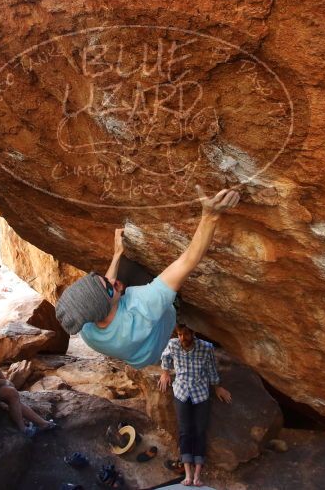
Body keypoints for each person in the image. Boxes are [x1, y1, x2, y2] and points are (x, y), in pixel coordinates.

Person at [55, 186, 240, 369]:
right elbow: (187, 262)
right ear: (103, 307)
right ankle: (177, 308)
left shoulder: (86, 329)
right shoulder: (141, 309)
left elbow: (103, 295)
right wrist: (210, 216)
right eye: (110, 288)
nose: (112, 281)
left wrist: (117, 253)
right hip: (155, 332)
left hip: (140, 357)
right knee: (144, 278)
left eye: (98, 279)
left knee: (122, 269)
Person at [159, 323, 232, 487]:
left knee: (200, 431)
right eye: (179, 335)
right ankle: (188, 473)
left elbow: (212, 369)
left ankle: (198, 474)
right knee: (185, 430)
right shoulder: (173, 344)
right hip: (181, 392)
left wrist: (217, 386)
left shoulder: (206, 347)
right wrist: (165, 373)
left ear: (193, 332)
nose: (182, 338)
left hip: (201, 394)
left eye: (185, 334)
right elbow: (165, 357)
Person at [0, 351, 58, 437]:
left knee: (13, 395)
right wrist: (5, 382)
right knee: (12, 393)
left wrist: (5, 382)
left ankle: (43, 423)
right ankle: (23, 429)